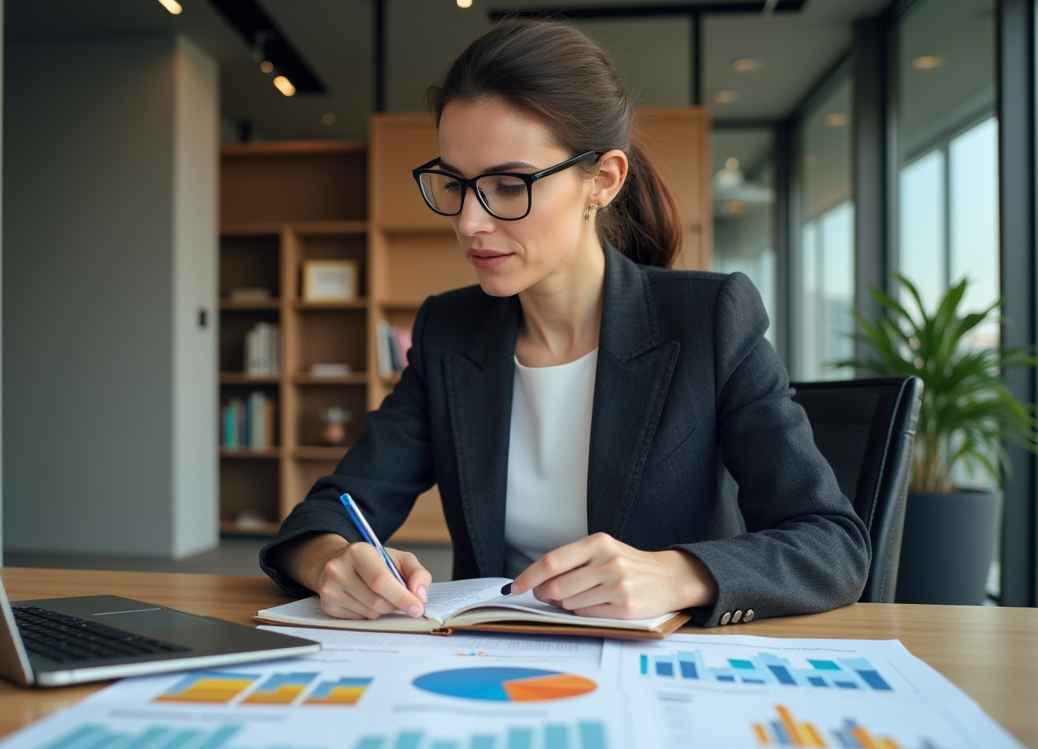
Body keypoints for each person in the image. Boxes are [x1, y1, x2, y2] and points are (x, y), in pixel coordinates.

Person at [259, 18, 869, 627]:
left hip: (665, 673)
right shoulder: (449, 331)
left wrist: (677, 574)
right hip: (492, 664)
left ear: (601, 181)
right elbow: (335, 509)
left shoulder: (710, 320)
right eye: (455, 183)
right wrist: (331, 562)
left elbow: (831, 543)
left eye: (508, 184)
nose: (470, 222)